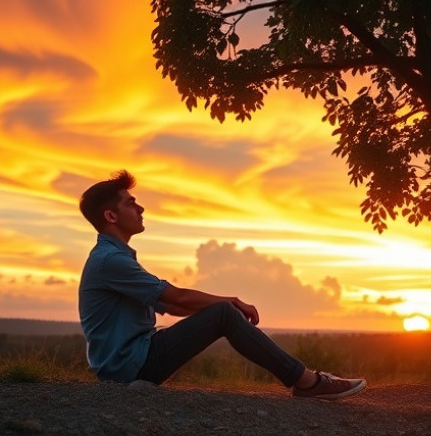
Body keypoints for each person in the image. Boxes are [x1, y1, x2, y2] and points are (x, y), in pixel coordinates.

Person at [78, 170, 366, 400]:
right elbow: (176, 295)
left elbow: (174, 304)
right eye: (130, 203)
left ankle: (306, 381)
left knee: (221, 314)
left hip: (135, 357)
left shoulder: (115, 258)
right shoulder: (110, 261)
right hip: (130, 366)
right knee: (224, 313)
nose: (140, 207)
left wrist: (217, 312)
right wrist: (229, 303)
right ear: (111, 216)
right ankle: (307, 382)